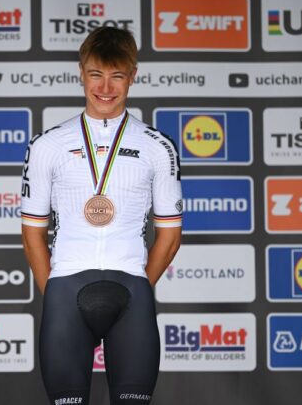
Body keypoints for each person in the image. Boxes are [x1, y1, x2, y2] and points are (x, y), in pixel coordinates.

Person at [21, 26, 182, 405]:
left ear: (133, 76)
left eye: (117, 76)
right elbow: (32, 235)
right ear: (81, 72)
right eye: (96, 74)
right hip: (66, 289)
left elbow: (170, 236)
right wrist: (60, 294)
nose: (105, 87)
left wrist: (138, 285)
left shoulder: (158, 146)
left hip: (131, 291)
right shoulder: (47, 145)